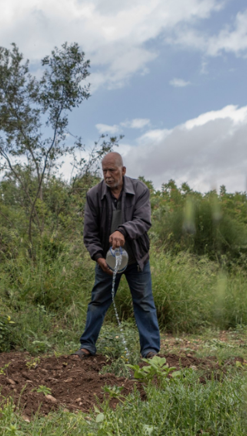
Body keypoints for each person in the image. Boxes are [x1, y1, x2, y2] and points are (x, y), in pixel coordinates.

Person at [74, 152, 161, 359]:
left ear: (123, 170)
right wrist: (98, 257)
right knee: (97, 301)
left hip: (136, 259)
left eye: (112, 170)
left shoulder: (140, 190)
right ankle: (87, 346)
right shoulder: (93, 195)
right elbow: (90, 233)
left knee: (144, 302)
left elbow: (143, 221)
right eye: (104, 170)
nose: (108, 175)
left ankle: (150, 350)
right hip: (107, 261)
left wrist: (123, 230)